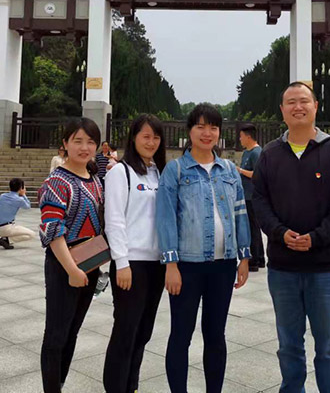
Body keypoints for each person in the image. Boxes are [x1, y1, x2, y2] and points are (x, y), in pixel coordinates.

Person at [252, 82, 330, 393]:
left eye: (303, 101)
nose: (298, 107)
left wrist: (317, 237)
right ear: (282, 110)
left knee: (328, 346)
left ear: (315, 106)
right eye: (291, 102)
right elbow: (260, 200)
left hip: (326, 267)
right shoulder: (270, 154)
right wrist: (280, 233)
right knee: (288, 345)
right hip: (283, 268)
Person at [156, 103, 251, 393]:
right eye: (200, 126)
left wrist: (244, 256)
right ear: (190, 131)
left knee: (215, 335)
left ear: (219, 132)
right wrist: (171, 264)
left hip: (223, 266)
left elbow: (240, 212)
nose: (207, 133)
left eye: (213, 127)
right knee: (181, 334)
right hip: (187, 265)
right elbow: (165, 218)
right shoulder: (175, 170)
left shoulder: (229, 170)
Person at [38, 117, 105, 393]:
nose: (84, 147)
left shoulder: (95, 180)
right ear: (65, 143)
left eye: (90, 142)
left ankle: (60, 383)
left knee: (72, 331)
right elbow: (52, 230)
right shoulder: (56, 181)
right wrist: (71, 270)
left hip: (89, 265)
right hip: (64, 266)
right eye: (77, 141)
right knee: (56, 335)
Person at [103, 115, 167, 393]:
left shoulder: (159, 173)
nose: (151, 142)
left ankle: (131, 386)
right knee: (125, 332)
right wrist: (121, 262)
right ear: (133, 138)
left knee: (143, 332)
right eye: (146, 136)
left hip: (157, 264)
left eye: (156, 137)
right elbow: (114, 220)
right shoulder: (121, 172)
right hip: (131, 264)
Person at [237, 123, 265, 271]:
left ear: (248, 137)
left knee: (252, 227)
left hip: (253, 195)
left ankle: (254, 259)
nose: (240, 139)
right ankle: (259, 257)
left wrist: (240, 171)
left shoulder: (256, 153)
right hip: (246, 194)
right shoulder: (246, 152)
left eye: (241, 136)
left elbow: (257, 174)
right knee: (251, 226)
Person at [0, 178, 35, 250]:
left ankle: (5, 237)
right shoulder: (19, 200)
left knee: (12, 223)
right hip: (4, 228)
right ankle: (7, 240)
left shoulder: (2, 196)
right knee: (31, 234)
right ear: (21, 188)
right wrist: (24, 194)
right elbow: (28, 206)